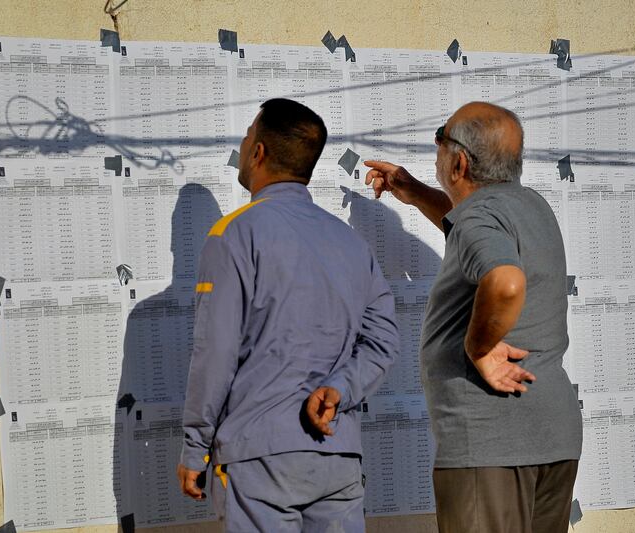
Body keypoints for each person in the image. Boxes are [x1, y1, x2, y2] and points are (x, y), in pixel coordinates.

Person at [177, 98, 399, 532]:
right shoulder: (350, 243)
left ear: (258, 152)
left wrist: (195, 448)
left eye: (246, 138)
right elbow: (383, 340)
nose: (242, 147)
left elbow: (216, 352)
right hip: (337, 454)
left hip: (259, 461)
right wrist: (340, 388)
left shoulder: (232, 235)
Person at [365, 102, 582, 533]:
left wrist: (478, 347)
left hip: (491, 443)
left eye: (440, 136)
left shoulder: (480, 217)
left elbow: (505, 281)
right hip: (550, 437)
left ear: (459, 161)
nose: (437, 148)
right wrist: (417, 193)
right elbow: (474, 237)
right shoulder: (529, 206)